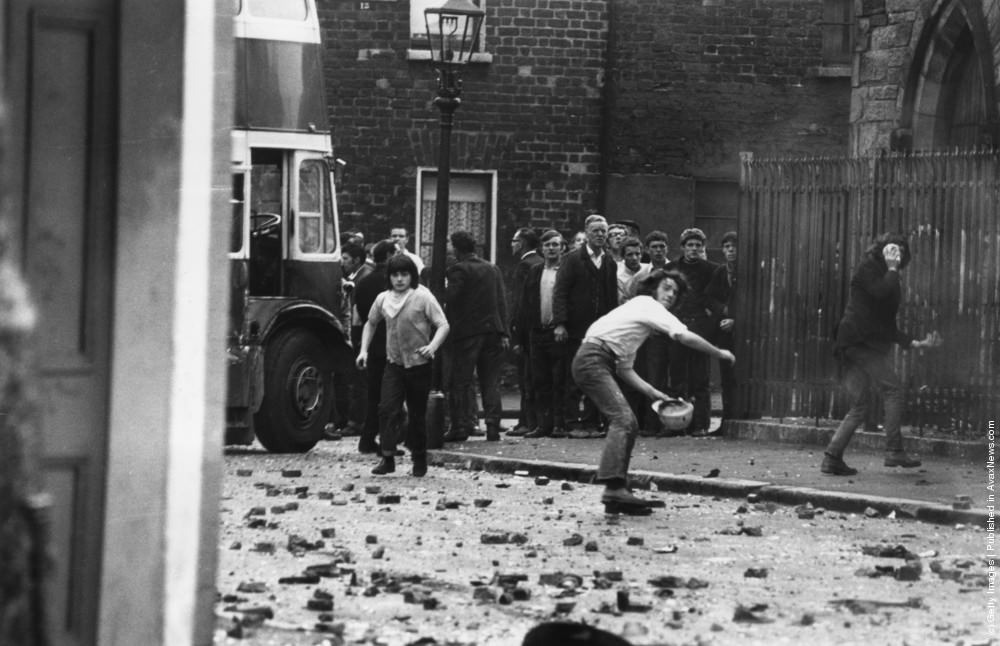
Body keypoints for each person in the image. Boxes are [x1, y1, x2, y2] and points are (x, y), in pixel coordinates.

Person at [572, 269, 734, 514]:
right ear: (652, 288)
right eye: (666, 288)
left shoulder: (637, 320)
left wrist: (656, 395)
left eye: (675, 292)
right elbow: (682, 335)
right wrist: (718, 353)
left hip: (593, 358)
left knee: (627, 422)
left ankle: (617, 492)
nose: (670, 295)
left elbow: (626, 369)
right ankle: (614, 487)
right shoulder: (646, 303)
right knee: (624, 420)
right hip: (593, 359)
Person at [821, 234, 941, 476]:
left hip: (858, 344)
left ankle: (832, 458)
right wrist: (893, 267)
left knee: (859, 405)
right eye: (893, 250)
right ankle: (894, 450)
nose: (898, 255)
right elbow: (879, 292)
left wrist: (917, 343)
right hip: (858, 343)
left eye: (901, 252)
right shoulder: (869, 269)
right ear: (882, 249)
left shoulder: (890, 276)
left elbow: (886, 325)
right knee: (893, 389)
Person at [356, 254, 449, 476]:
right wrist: (363, 351)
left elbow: (443, 324)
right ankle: (387, 457)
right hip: (394, 364)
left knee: (417, 413)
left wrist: (433, 347)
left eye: (404, 274)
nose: (399, 279)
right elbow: (370, 323)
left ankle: (419, 459)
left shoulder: (422, 297)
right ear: (389, 277)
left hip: (419, 364)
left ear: (412, 276)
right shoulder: (383, 299)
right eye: (395, 275)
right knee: (387, 409)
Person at [553, 214, 618, 437]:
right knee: (574, 375)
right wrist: (560, 323)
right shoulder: (572, 259)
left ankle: (592, 422)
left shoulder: (609, 261)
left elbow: (611, 296)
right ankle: (572, 422)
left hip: (599, 331)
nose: (600, 235)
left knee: (596, 375)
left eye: (603, 231)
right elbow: (560, 291)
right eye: (596, 231)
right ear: (587, 233)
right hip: (575, 328)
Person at [442, 230, 510, 443]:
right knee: (490, 381)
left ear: (456, 248)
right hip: (493, 331)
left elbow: (450, 298)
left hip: (467, 333)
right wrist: (504, 331)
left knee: (460, 381)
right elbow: (502, 301)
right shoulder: (492, 268)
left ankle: (460, 426)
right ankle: (492, 427)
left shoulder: (458, 270)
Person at [665, 228, 723, 435]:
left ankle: (700, 424)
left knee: (701, 379)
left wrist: (710, 323)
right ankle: (677, 424)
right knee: (677, 378)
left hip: (700, 329)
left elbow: (717, 300)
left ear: (703, 248)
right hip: (677, 327)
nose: (694, 249)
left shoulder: (713, 269)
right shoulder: (671, 268)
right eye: (690, 245)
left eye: (698, 245)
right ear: (682, 247)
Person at [519, 230, 568, 438]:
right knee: (540, 380)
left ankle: (559, 424)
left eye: (555, 244)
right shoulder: (535, 271)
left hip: (558, 333)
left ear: (562, 248)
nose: (551, 248)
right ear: (541, 248)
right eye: (547, 245)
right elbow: (526, 301)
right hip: (537, 332)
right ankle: (543, 424)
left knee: (559, 379)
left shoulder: (566, 270)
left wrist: (562, 324)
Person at [353, 239, 397, 454]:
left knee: (374, 396)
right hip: (392, 345)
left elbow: (363, 316)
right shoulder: (392, 284)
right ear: (389, 256)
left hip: (372, 344)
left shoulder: (364, 283)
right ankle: (387, 443)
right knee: (391, 397)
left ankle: (368, 438)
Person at [328, 241, 373, 439]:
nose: (342, 262)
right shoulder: (356, 277)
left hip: (361, 334)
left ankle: (356, 422)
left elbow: (358, 312)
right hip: (360, 334)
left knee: (359, 381)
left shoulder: (363, 278)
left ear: (356, 260)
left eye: (345, 259)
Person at [507, 227, 544, 437]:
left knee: (526, 377)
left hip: (526, 329)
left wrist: (515, 332)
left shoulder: (524, 266)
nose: (512, 245)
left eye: (514, 241)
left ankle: (526, 421)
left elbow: (520, 302)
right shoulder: (540, 263)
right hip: (540, 327)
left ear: (521, 244)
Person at [707, 231, 738, 424]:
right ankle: (726, 422)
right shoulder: (720, 271)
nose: (731, 250)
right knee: (726, 377)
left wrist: (737, 319)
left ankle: (742, 418)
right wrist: (723, 310)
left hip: (745, 334)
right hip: (724, 333)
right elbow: (708, 297)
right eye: (727, 247)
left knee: (740, 378)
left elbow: (757, 303)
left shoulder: (751, 272)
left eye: (734, 246)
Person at [616, 236, 648, 305]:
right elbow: (623, 303)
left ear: (641, 255)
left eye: (637, 254)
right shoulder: (618, 277)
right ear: (623, 256)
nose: (634, 258)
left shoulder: (649, 270)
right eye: (630, 255)